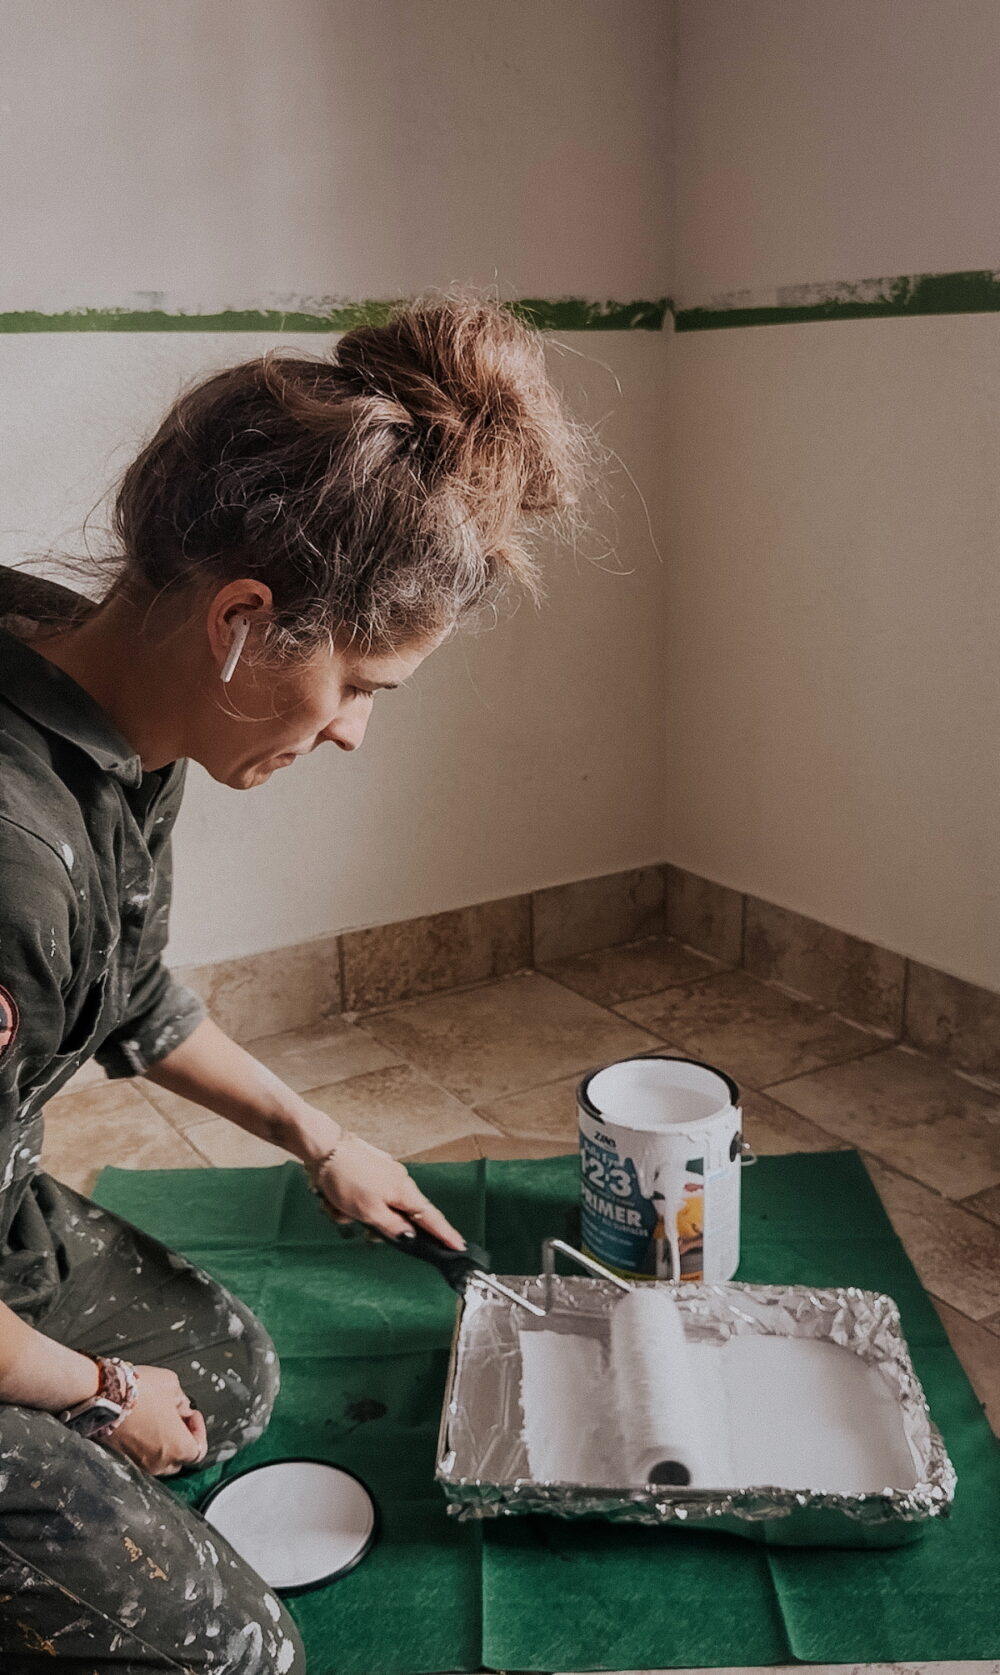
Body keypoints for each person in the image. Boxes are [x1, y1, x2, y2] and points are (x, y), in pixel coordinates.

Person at [0, 295, 588, 1672]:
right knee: (234, 1654)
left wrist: (321, 1135)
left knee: (226, 1381)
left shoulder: (110, 700)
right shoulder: (11, 860)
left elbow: (130, 995)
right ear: (244, 621)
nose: (356, 736)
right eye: (359, 685)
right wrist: (92, 1398)